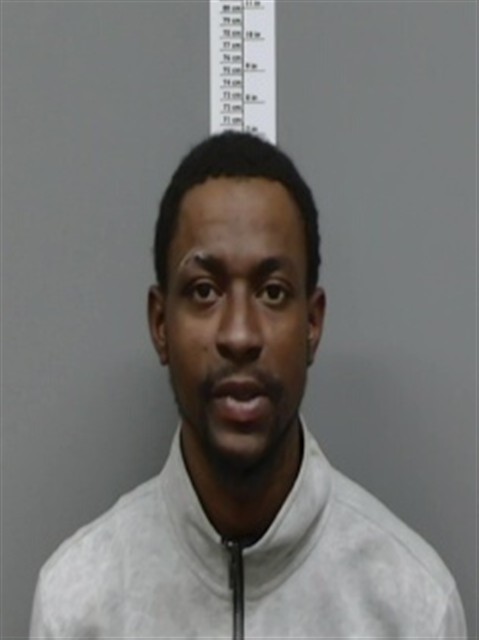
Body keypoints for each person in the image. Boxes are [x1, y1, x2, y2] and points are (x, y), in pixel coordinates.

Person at [30, 132, 467, 639]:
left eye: (273, 292)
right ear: (160, 324)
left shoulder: (412, 606)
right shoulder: (78, 604)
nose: (239, 335)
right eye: (204, 291)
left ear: (312, 324)